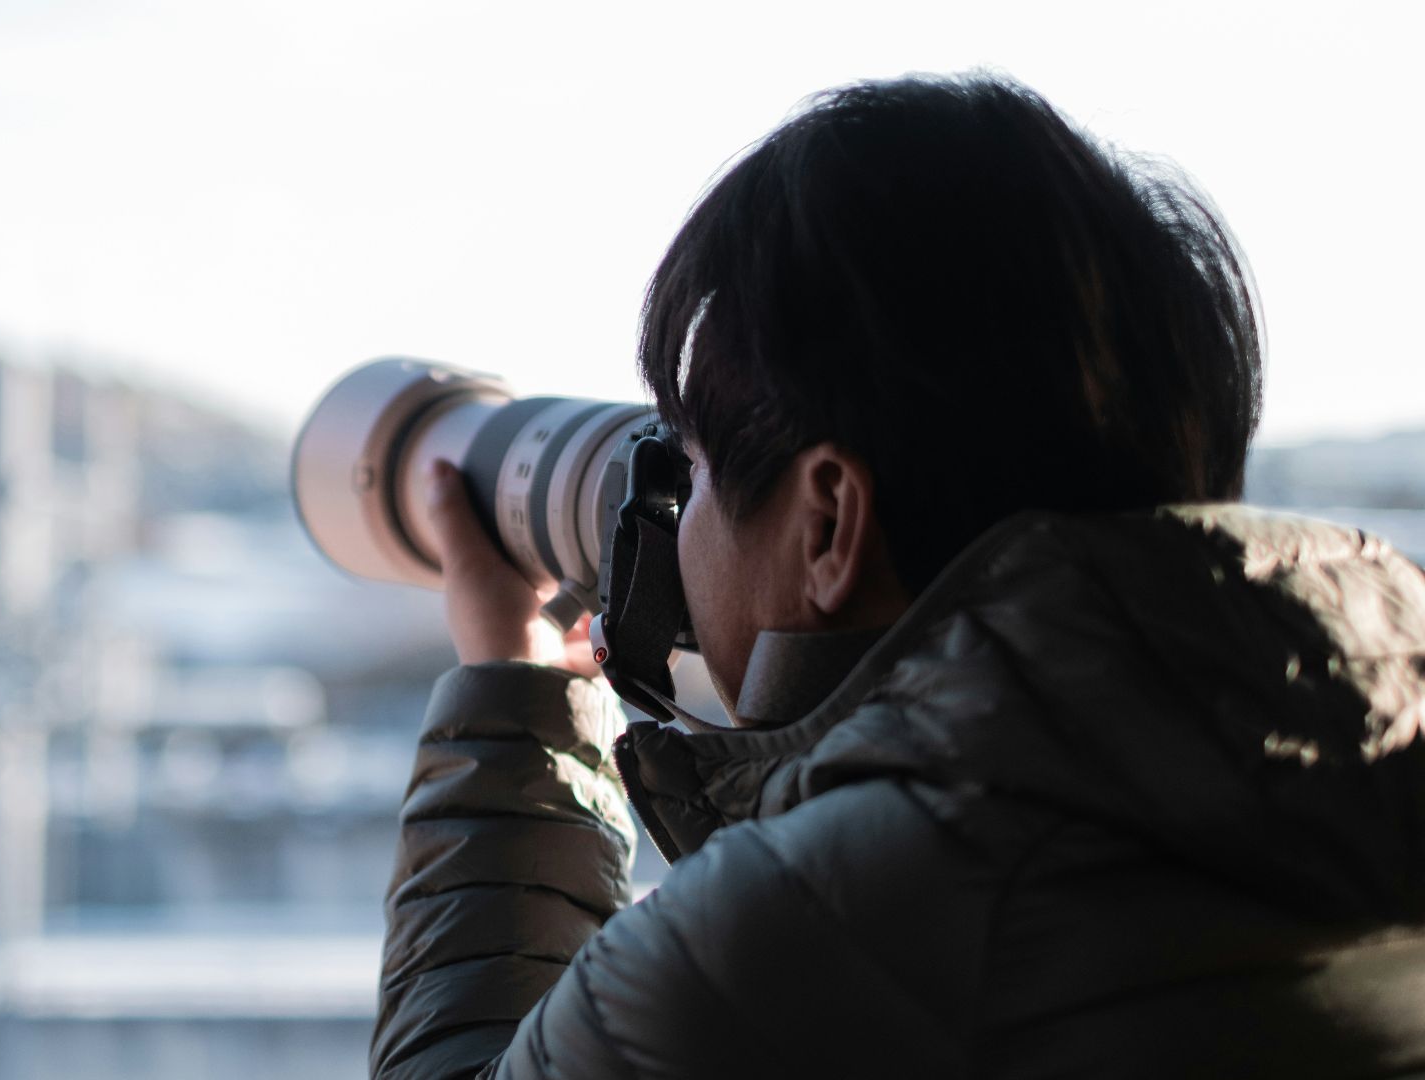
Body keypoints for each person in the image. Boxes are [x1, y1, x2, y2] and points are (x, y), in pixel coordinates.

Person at [370, 72, 1425, 1078]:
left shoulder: (835, 925)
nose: (673, 521)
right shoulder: (1361, 772)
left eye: (689, 465)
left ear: (828, 521)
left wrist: (519, 697)